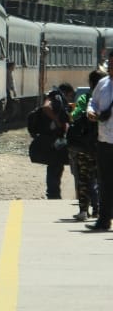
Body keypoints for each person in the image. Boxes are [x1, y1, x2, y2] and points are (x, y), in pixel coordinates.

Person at [67, 70, 103, 220]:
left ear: (90, 83)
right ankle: (99, 209)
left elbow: (74, 116)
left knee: (84, 177)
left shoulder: (85, 98)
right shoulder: (107, 98)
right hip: (103, 144)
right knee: (101, 177)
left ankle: (83, 210)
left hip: (86, 144)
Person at [86, 53, 113, 231]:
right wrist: (91, 111)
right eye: (110, 64)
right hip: (104, 140)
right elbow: (93, 102)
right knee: (105, 182)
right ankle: (104, 220)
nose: (110, 67)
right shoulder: (103, 84)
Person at [39, 82, 75, 200]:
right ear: (66, 93)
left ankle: (54, 193)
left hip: (57, 137)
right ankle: (52, 194)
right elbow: (46, 107)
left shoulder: (59, 99)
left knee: (57, 165)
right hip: (53, 138)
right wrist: (57, 121)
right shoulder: (55, 97)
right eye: (70, 96)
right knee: (54, 165)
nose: (70, 99)